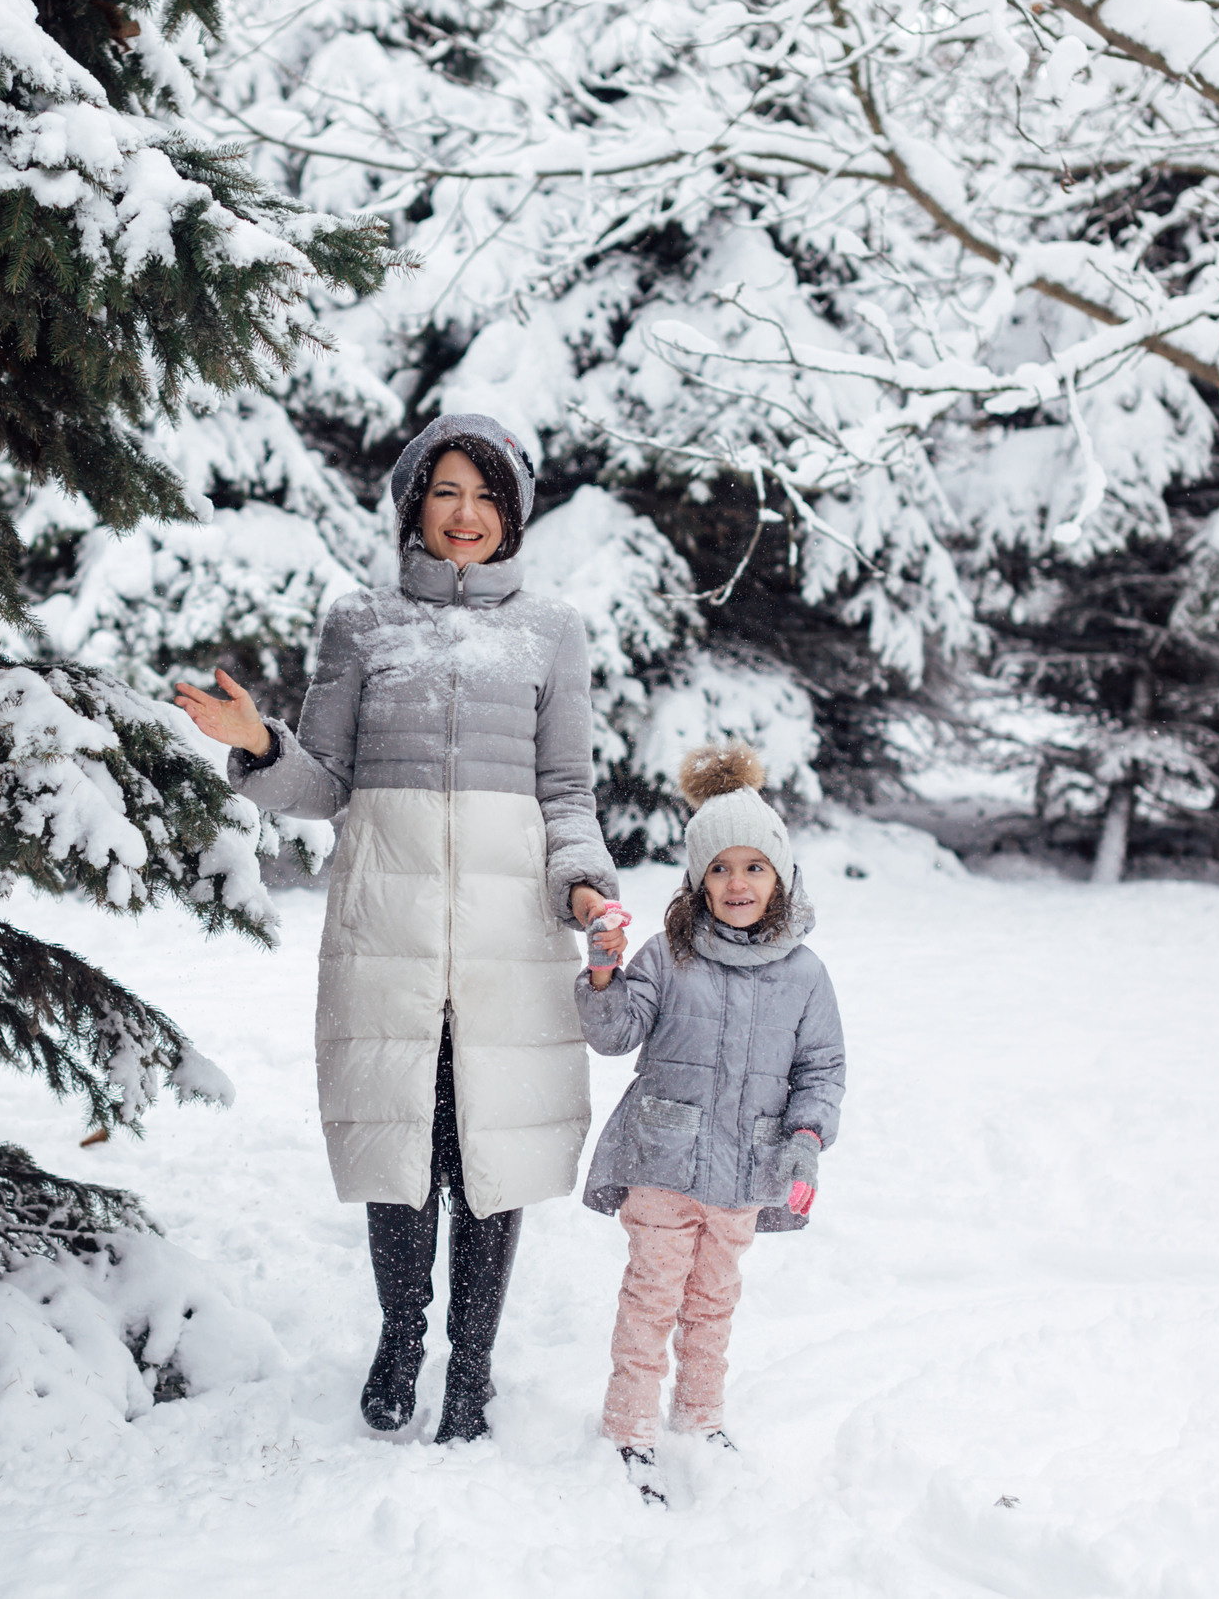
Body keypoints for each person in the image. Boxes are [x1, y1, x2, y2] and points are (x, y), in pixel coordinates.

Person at [172, 412, 626, 1443]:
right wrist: (256, 743)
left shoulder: (551, 631)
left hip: (510, 929)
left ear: (511, 513)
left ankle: (472, 1369)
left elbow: (566, 789)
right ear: (412, 503)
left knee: (490, 1150)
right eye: (445, 492)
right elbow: (326, 782)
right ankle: (401, 1337)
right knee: (401, 1145)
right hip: (390, 922)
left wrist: (584, 886)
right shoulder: (362, 622)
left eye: (485, 496)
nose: (464, 515)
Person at [576, 742, 845, 1507]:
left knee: (713, 1301)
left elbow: (821, 1071)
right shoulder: (667, 957)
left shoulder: (805, 975)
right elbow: (614, 1032)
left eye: (754, 866)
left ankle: (699, 1417)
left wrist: (804, 1143)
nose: (737, 882)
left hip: (743, 1173)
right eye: (720, 867)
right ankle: (629, 1427)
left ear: (782, 876)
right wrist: (603, 972)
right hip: (661, 1160)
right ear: (697, 879)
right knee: (652, 1296)